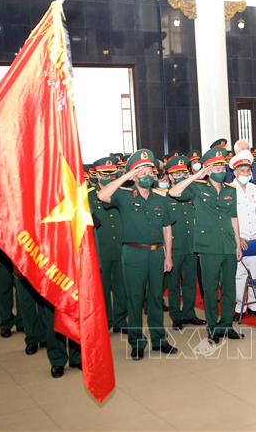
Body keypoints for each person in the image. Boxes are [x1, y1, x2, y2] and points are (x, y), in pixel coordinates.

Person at [98, 149, 176, 360]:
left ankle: (159, 339)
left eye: (149, 170)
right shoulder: (123, 195)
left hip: (156, 253)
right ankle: (137, 342)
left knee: (156, 299)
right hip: (133, 253)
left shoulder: (160, 199)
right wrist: (125, 176)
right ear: (134, 174)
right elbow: (102, 195)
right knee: (134, 299)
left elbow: (167, 229)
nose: (146, 175)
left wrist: (168, 256)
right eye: (141, 171)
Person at [168, 146, 244, 343]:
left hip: (228, 244)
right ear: (208, 170)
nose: (220, 172)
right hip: (208, 245)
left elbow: (234, 218)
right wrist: (196, 175)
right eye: (216, 169)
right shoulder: (198, 188)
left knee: (229, 289)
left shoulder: (231, 190)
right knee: (210, 289)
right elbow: (174, 192)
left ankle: (226, 325)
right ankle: (213, 327)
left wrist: (237, 243)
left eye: (222, 169)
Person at [164, 155, 206, 330]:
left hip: (192, 244)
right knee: (174, 285)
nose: (181, 175)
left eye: (183, 172)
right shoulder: (166, 196)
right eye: (176, 173)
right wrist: (167, 252)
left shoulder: (192, 192)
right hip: (175, 246)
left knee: (190, 282)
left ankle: (189, 313)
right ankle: (176, 316)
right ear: (170, 176)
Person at [89, 157, 127, 333]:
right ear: (96, 175)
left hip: (121, 248)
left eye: (113, 175)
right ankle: (105, 322)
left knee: (121, 287)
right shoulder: (88, 196)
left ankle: (121, 321)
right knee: (102, 290)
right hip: (100, 250)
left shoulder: (122, 193)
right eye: (105, 174)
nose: (109, 178)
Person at [229, 150, 256, 318]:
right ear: (235, 172)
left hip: (255, 237)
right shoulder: (229, 190)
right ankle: (239, 308)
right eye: (242, 170)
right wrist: (237, 238)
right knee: (239, 275)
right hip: (239, 239)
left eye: (248, 170)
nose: (245, 173)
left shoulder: (254, 189)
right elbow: (229, 218)